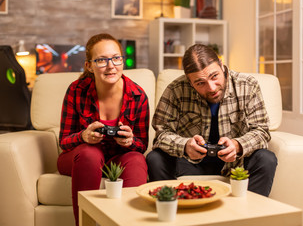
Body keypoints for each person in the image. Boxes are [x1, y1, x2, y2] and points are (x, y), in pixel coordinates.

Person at [146, 44, 277, 197]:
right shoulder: (175, 90)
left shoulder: (247, 85)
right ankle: (174, 212)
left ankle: (249, 216)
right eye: (200, 83)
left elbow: (261, 131)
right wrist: (185, 146)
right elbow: (161, 134)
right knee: (155, 159)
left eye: (214, 76)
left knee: (266, 159)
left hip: (236, 163)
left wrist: (237, 145)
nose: (211, 88)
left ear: (221, 65)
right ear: (189, 82)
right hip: (190, 163)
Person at [57, 33, 149, 225]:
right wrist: (83, 136)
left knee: (136, 159)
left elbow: (142, 145)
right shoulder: (76, 90)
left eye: (116, 58)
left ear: (122, 61)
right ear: (89, 66)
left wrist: (130, 141)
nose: (111, 66)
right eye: (101, 60)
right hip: (80, 158)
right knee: (90, 153)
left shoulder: (138, 95)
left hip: (119, 156)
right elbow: (64, 141)